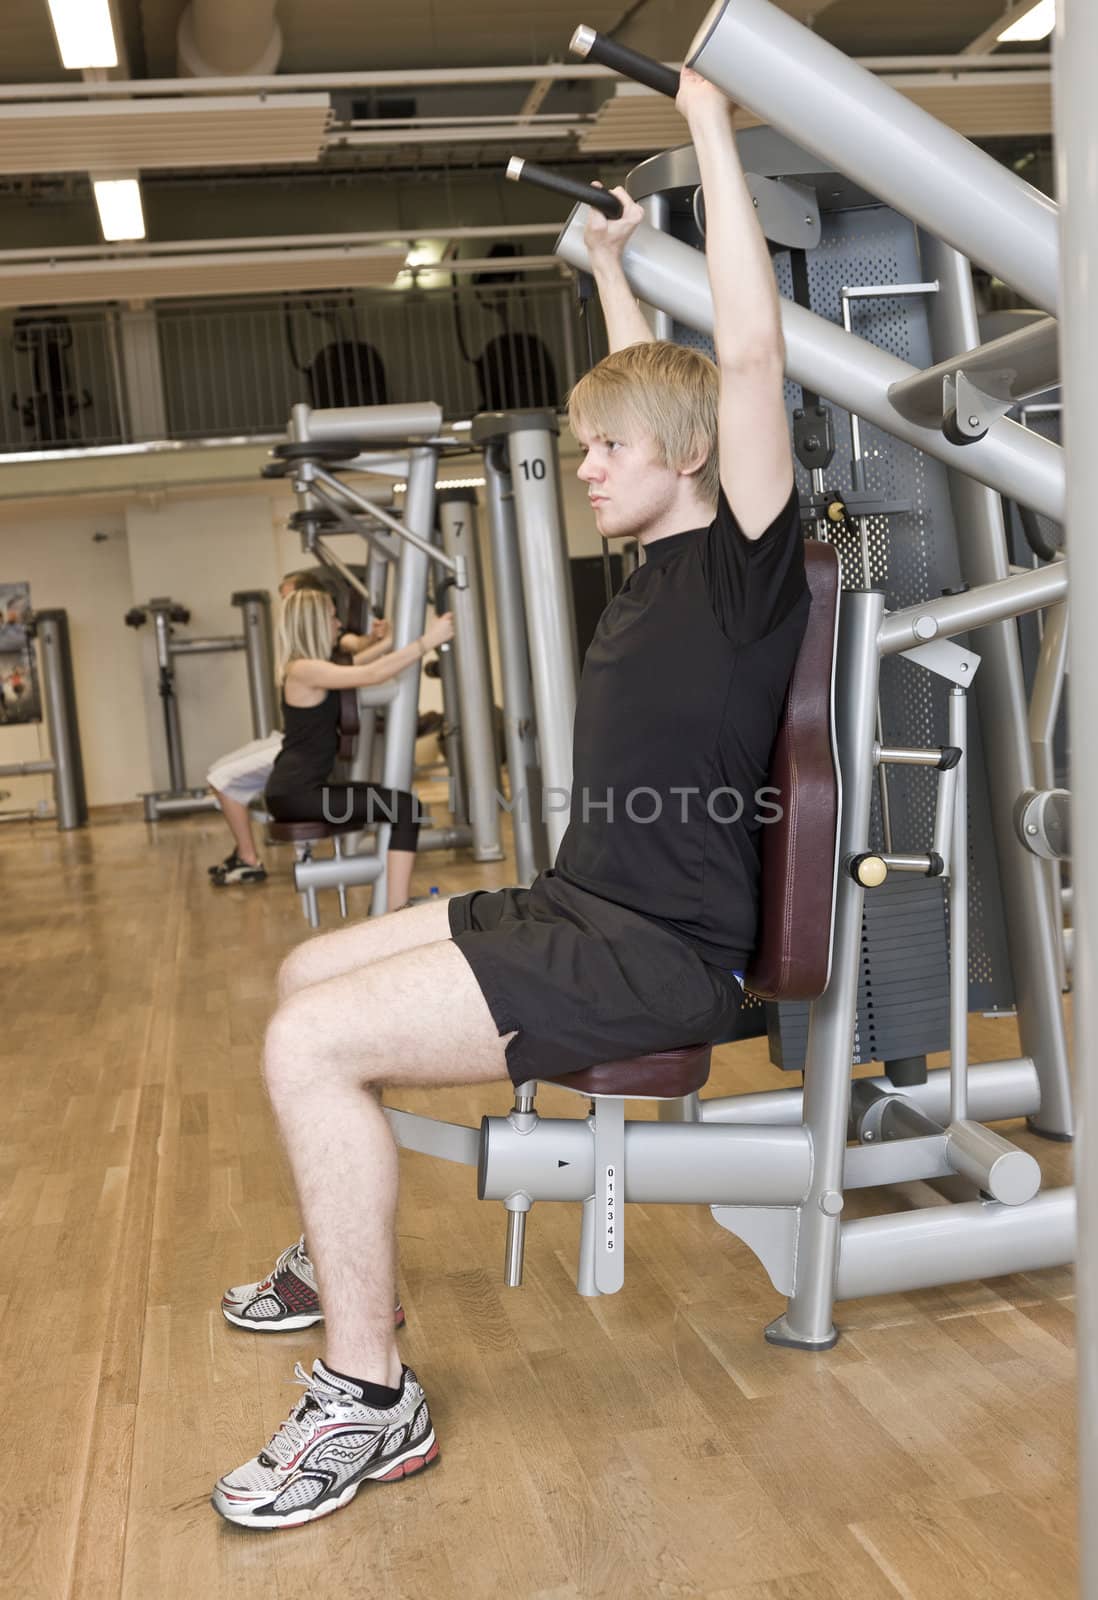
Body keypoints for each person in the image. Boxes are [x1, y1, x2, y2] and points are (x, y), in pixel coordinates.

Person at [211, 69, 809, 1531]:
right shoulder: (662, 564)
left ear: (685, 468)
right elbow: (656, 390)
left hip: (649, 953)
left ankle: (369, 1397)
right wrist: (609, 274)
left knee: (307, 1043)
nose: (583, 466)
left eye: (604, 452)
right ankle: (345, 1248)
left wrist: (715, 131)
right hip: (576, 904)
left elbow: (736, 364)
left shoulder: (738, 571)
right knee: (300, 973)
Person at [264, 586, 454, 912]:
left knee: (397, 803)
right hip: (297, 792)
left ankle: (393, 905)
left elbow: (361, 662)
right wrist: (428, 642)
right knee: (404, 807)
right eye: (332, 616)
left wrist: (393, 639)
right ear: (313, 622)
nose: (338, 624)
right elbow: (370, 673)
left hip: (298, 789)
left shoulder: (311, 667)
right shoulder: (303, 669)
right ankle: (398, 911)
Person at [206, 569, 382, 886]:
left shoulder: (321, 636)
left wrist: (379, 640)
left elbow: (354, 645)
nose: (284, 603)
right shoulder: (306, 648)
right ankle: (244, 852)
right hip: (292, 739)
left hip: (297, 745)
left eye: (288, 596)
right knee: (218, 774)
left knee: (219, 778)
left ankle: (249, 858)